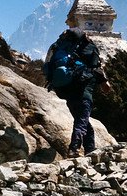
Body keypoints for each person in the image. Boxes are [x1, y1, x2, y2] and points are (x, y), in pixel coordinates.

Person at [43, 28, 103, 156]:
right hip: (83, 90)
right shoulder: (89, 47)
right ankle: (74, 147)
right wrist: (103, 81)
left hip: (64, 90)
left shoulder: (60, 47)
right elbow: (95, 67)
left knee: (84, 121)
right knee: (82, 120)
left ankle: (90, 151)